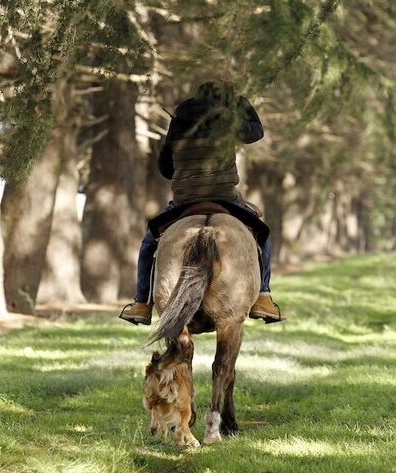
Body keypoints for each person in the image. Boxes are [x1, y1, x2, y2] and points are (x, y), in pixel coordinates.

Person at [120, 81, 285, 325]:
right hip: (225, 197)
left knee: (149, 243)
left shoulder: (180, 120)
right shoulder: (228, 121)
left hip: (185, 199)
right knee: (262, 235)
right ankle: (264, 297)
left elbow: (166, 168)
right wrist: (240, 103)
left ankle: (142, 303)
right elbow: (256, 132)